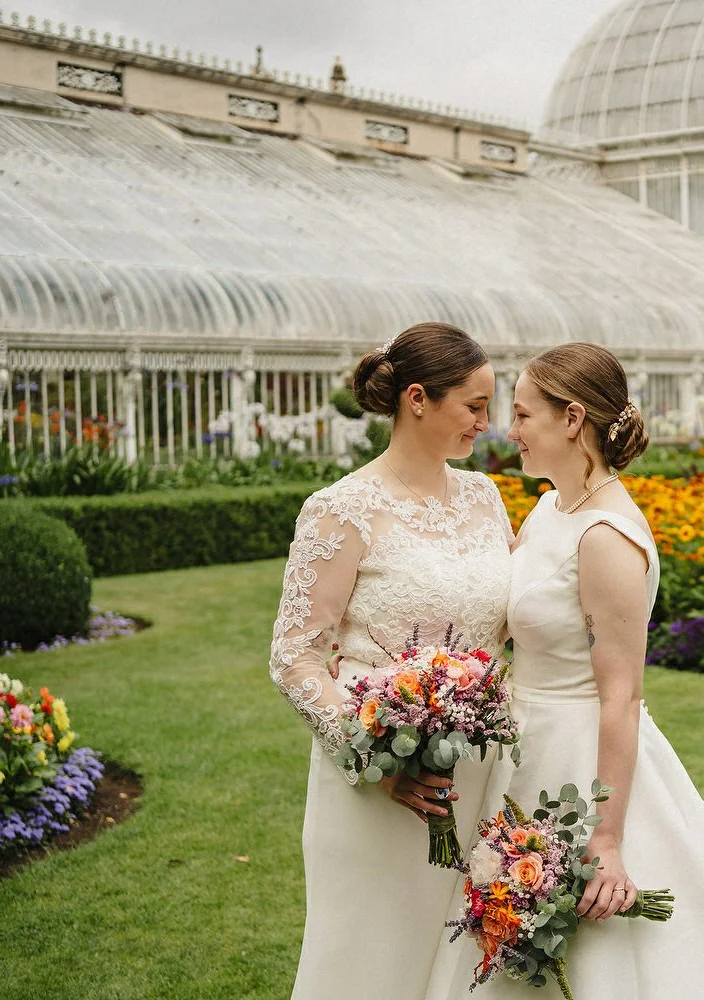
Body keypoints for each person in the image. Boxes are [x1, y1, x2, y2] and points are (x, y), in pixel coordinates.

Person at [430, 343, 704, 998]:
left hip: (579, 760)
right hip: (521, 749)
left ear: (572, 419)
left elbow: (622, 696)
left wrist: (608, 838)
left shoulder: (606, 537)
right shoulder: (551, 508)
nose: (510, 429)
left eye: (523, 414)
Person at [268, 322, 514, 1000]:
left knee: (463, 963)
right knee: (371, 963)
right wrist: (373, 758)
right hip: (381, 778)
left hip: (478, 775)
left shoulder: (485, 497)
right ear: (417, 399)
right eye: (474, 406)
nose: (486, 423)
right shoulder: (341, 509)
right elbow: (295, 657)